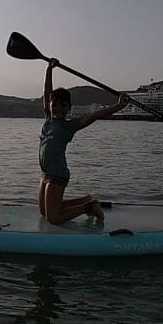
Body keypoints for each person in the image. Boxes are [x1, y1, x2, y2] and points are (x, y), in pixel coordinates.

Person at [39, 58, 129, 225]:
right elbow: (47, 91)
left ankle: (88, 207)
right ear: (50, 105)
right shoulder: (48, 119)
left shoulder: (69, 126)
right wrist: (49, 69)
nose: (57, 108)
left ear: (69, 109)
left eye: (63, 105)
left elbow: (94, 116)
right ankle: (88, 200)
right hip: (45, 174)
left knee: (53, 219)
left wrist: (119, 106)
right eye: (55, 104)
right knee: (44, 212)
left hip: (57, 176)